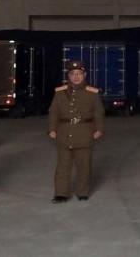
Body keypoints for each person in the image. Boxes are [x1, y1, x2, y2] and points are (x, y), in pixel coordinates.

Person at [48, 60, 104, 203]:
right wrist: (52, 129)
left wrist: (99, 129)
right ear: (69, 75)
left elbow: (99, 112)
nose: (76, 77)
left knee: (84, 165)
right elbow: (53, 112)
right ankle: (61, 194)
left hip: (85, 133)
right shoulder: (60, 93)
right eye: (73, 74)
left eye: (79, 73)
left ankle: (82, 192)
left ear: (84, 74)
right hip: (64, 133)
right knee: (62, 166)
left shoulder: (92, 93)